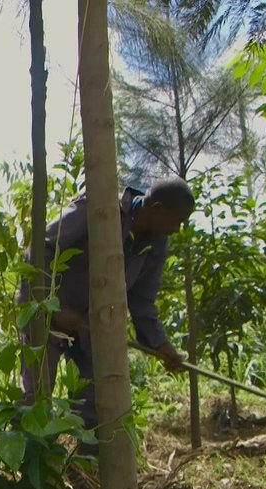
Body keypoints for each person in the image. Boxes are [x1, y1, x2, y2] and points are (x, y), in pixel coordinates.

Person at [42, 177, 194, 452]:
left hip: (91, 325)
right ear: (158, 209)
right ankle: (26, 481)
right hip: (45, 311)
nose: (178, 229)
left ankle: (85, 479)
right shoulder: (99, 208)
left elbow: (142, 301)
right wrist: (54, 303)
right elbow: (42, 247)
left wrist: (160, 345)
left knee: (92, 408)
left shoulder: (156, 245)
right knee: (36, 398)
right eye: (178, 220)